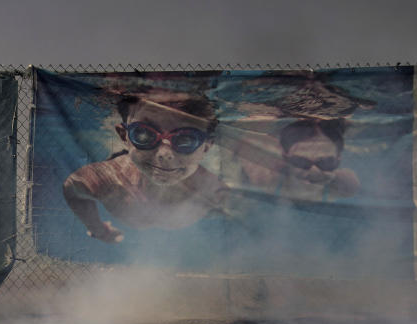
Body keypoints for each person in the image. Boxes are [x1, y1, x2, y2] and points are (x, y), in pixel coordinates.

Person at [62, 91, 227, 242]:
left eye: (186, 139)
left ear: (206, 147)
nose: (164, 153)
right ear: (124, 136)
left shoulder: (214, 190)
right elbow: (72, 187)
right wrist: (97, 228)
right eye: (144, 134)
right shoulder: (107, 180)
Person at [237, 118, 359, 202]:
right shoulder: (345, 187)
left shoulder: (265, 180)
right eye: (302, 162)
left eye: (325, 162)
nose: (314, 170)